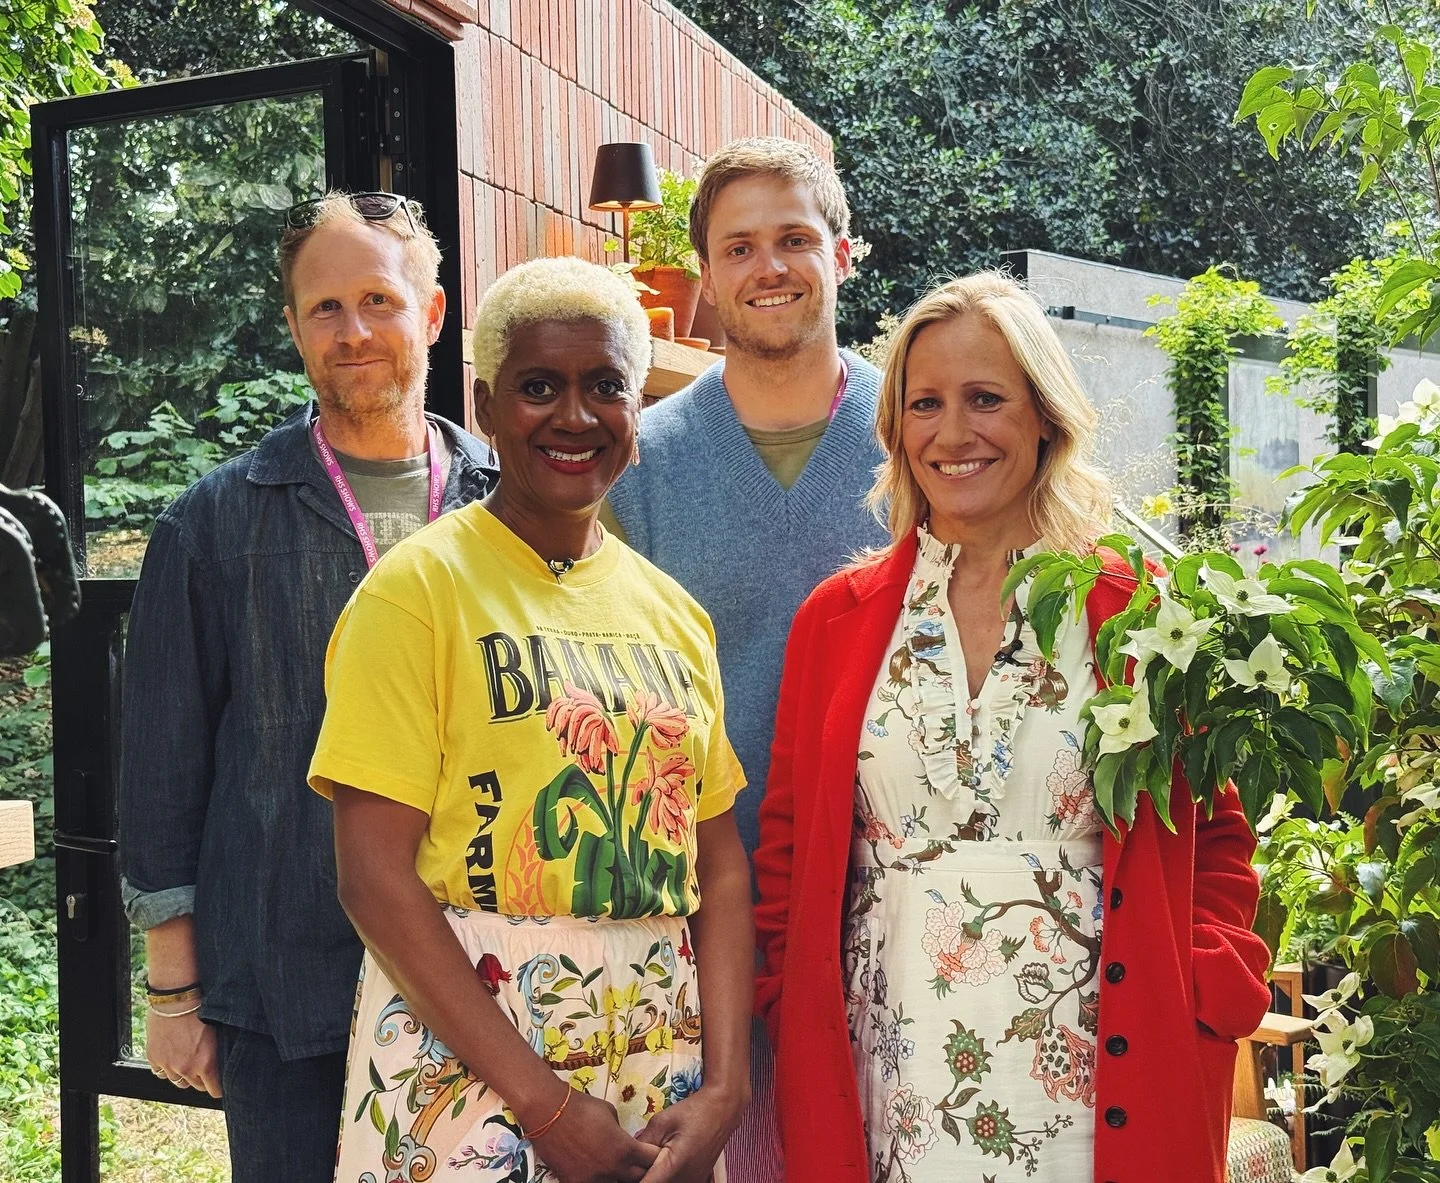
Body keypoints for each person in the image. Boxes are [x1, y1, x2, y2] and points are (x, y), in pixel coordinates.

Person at [753, 271, 1273, 1182]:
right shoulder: (834, 620)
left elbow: (1217, 833)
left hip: (1096, 1075)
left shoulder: (1141, 612)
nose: (952, 434)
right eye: (925, 403)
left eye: (985, 398)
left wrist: (1199, 981)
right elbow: (789, 847)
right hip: (889, 1076)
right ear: (895, 428)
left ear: (1045, 416)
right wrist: (783, 1003)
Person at [307, 256, 753, 1183]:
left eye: (605, 387)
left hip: (654, 1053)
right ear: (485, 403)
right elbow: (375, 877)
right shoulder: (416, 592)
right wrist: (544, 1103)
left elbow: (717, 861)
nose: (575, 416)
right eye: (539, 386)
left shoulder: (674, 613)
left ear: (638, 410)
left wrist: (727, 1086)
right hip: (474, 1052)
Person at [117, 191, 498, 1183]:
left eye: (379, 298)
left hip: (493, 975)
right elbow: (162, 766)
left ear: (434, 310)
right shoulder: (212, 524)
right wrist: (171, 989)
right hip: (289, 985)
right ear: (293, 326)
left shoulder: (509, 504)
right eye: (324, 308)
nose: (354, 330)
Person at [603, 136, 889, 1176]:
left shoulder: (926, 434)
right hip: (706, 910)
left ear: (843, 254)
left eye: (794, 239)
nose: (769, 267)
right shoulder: (640, 461)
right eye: (739, 247)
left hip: (891, 900)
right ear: (708, 274)